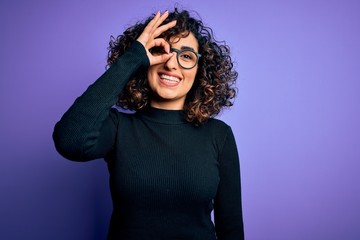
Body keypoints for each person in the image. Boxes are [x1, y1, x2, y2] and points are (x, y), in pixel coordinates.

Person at [53, 8, 244, 240]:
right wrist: (133, 57)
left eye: (186, 56)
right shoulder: (118, 127)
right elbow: (69, 141)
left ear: (200, 70)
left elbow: (231, 229)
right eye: (160, 50)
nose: (171, 64)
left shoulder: (219, 135)